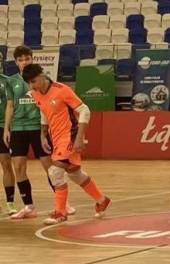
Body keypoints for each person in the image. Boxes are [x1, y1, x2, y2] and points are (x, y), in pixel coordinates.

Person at [21, 63, 110, 224]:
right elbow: (44, 111)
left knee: (55, 172)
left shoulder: (62, 90)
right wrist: (43, 135)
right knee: (75, 174)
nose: (31, 86)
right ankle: (102, 200)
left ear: (42, 75)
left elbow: (84, 110)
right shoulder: (35, 94)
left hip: (70, 136)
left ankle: (60, 212)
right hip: (56, 138)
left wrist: (80, 137)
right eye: (29, 83)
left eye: (33, 81)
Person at [4, 46, 75, 220]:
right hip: (18, 128)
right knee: (18, 167)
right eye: (20, 60)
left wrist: (47, 128)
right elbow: (10, 105)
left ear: (32, 59)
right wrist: (6, 128)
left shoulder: (43, 80)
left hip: (37, 127)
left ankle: (62, 204)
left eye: (27, 59)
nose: (24, 62)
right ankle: (29, 207)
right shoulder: (11, 81)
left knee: (49, 167)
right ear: (16, 62)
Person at [0, 71, 18, 215]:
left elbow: (11, 105)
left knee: (6, 163)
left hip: (2, 126)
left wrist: (9, 126)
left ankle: (10, 202)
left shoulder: (8, 81)